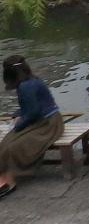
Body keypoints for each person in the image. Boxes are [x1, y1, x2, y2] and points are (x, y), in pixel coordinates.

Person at [0, 55, 64, 200]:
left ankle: (9, 181)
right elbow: (29, 106)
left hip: (47, 123)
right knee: (6, 142)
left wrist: (18, 125)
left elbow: (33, 112)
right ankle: (4, 178)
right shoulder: (31, 81)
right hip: (44, 120)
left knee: (12, 146)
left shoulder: (26, 86)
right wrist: (17, 115)